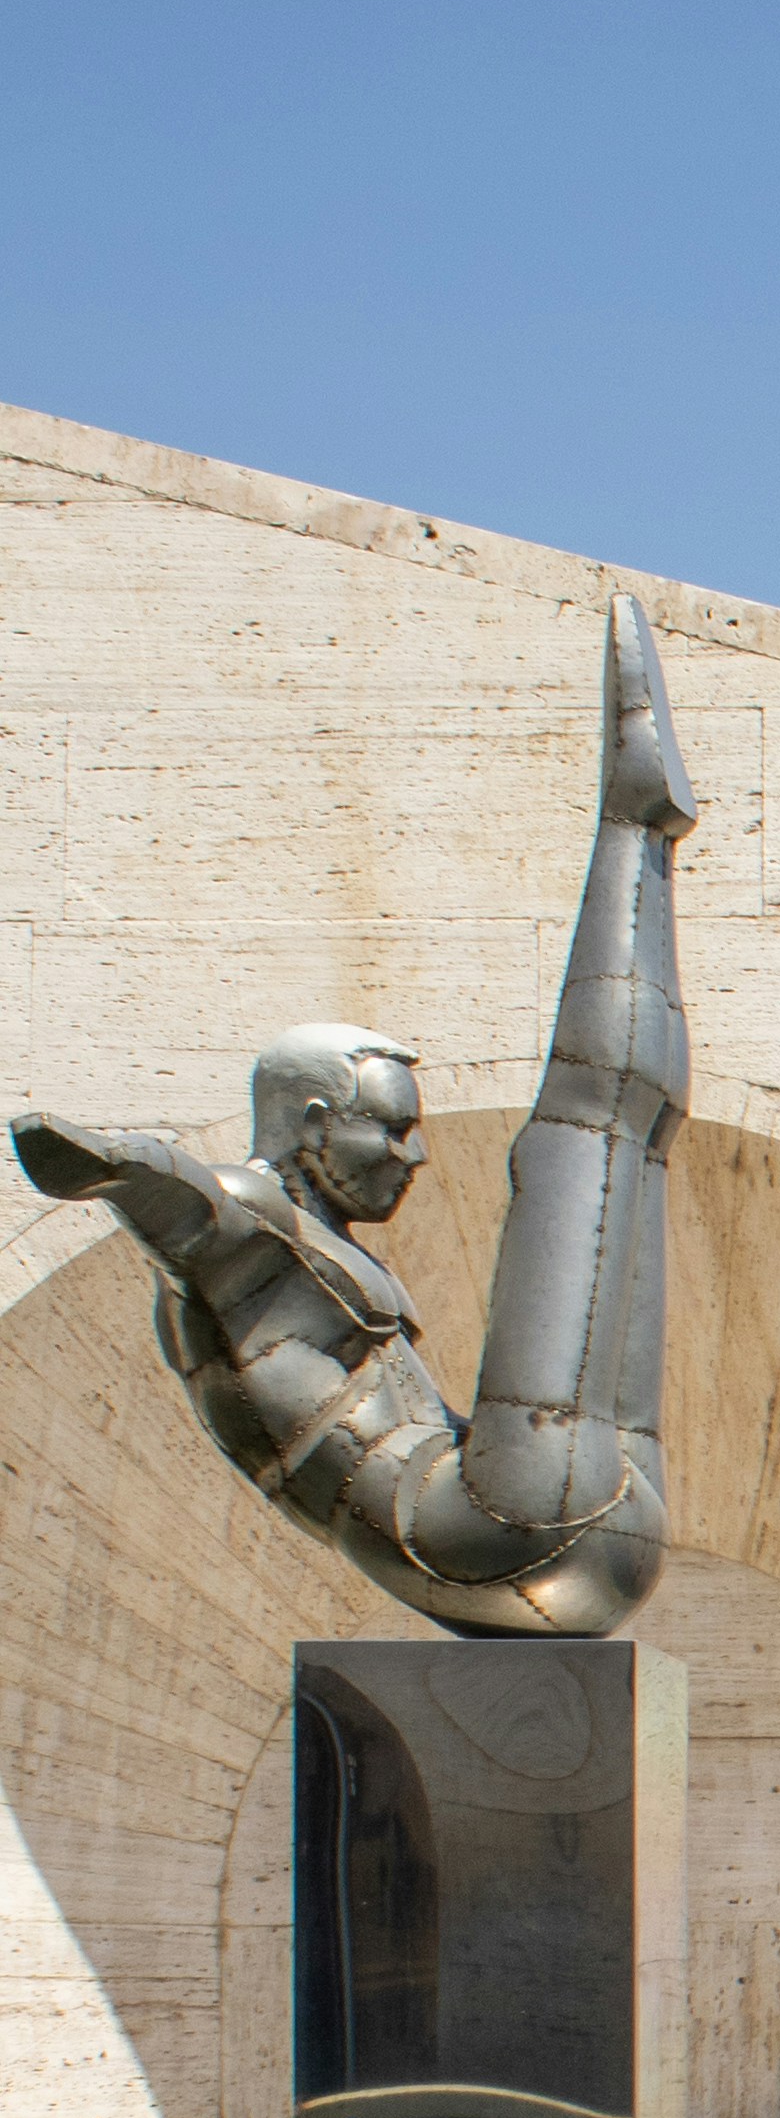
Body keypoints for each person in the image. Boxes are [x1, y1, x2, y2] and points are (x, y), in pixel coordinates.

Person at [10, 591, 697, 1634]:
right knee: (582, 1138)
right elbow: (183, 1199)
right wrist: (102, 1159)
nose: (413, 1158)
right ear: (317, 1121)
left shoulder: (306, 1240)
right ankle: (630, 833)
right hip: (479, 1528)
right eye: (391, 1128)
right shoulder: (252, 1220)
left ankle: (637, 838)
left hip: (562, 1531)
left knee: (629, 1147)